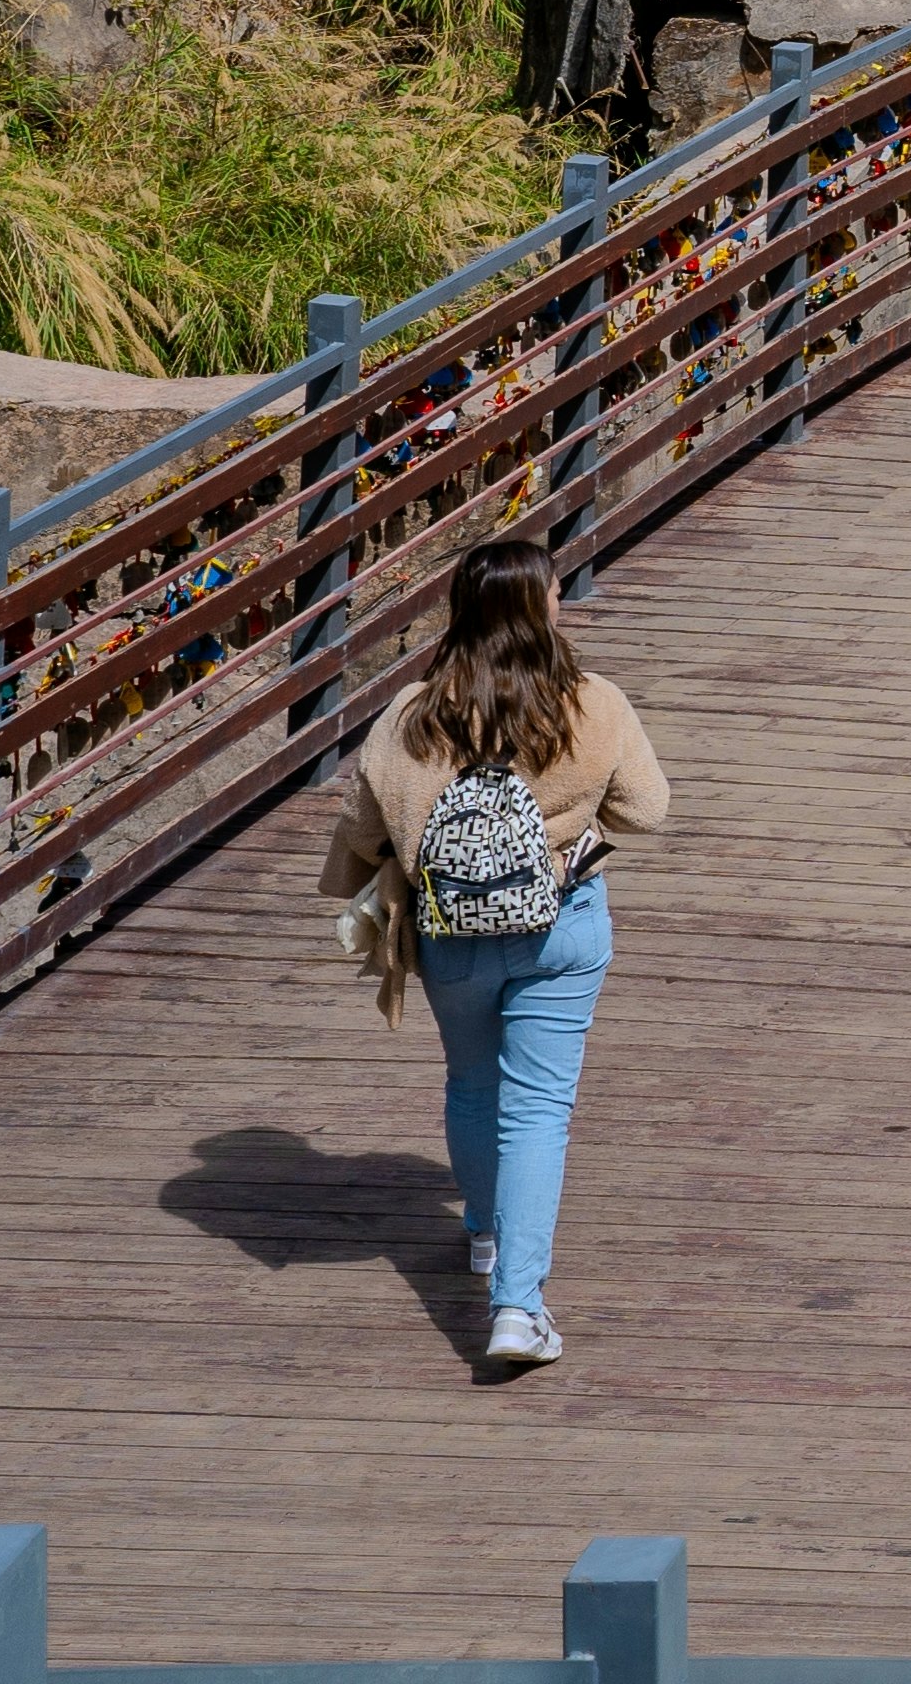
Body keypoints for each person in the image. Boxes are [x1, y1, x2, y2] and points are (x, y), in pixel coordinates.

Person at [319, 538, 666, 1372]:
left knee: (473, 1083)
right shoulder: (594, 704)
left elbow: (364, 834)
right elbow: (647, 810)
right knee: (538, 1107)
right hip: (562, 926)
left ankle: (483, 1235)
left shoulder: (408, 714)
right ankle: (519, 1306)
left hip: (448, 931)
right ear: (542, 607)